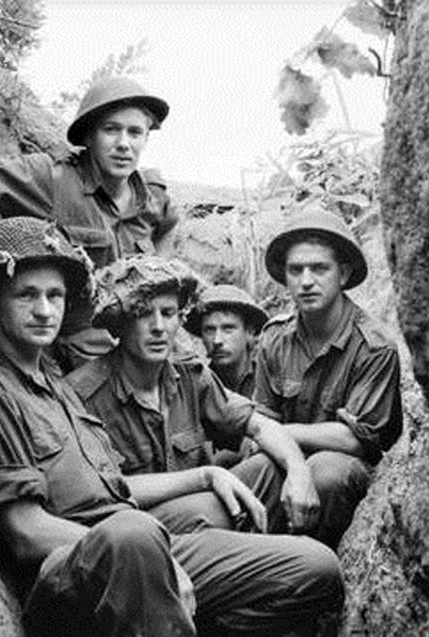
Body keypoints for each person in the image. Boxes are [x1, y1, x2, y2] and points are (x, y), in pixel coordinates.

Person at [0, 216, 344, 637]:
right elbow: (24, 532)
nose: (44, 310)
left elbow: (115, 488)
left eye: (54, 295)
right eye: (26, 295)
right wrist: (150, 556)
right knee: (135, 533)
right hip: (83, 572)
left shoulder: (52, 384)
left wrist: (206, 475)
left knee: (317, 568)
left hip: (132, 536)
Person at [0, 76, 179, 370]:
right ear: (89, 136)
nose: (124, 144)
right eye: (111, 130)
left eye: (134, 132)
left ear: (146, 138)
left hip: (140, 346)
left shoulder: (153, 196)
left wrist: (160, 273)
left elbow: (168, 225)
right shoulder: (54, 179)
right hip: (77, 357)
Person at [66, 256, 320, 537]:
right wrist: (204, 477)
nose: (158, 327)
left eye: (168, 313)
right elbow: (98, 491)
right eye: (143, 314)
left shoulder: (189, 373)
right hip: (137, 533)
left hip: (202, 512)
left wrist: (299, 471)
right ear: (120, 323)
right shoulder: (83, 395)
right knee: (213, 510)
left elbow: (260, 426)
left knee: (271, 468)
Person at [253, 204, 403, 548]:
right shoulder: (274, 338)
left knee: (326, 471)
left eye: (319, 268)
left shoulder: (374, 346)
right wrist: (284, 453)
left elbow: (355, 440)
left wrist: (282, 434)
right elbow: (260, 420)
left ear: (343, 274)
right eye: (296, 270)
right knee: (252, 468)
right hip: (287, 459)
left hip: (346, 473)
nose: (306, 281)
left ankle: (315, 568)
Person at [184, 283, 268, 398]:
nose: (217, 340)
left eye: (228, 329)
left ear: (250, 333)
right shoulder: (195, 387)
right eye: (209, 330)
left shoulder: (270, 379)